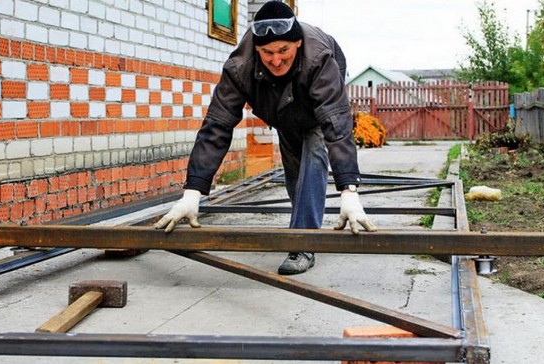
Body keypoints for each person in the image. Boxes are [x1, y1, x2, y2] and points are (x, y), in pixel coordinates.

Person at [155, 0, 377, 275]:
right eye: (267, 52)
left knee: (315, 146)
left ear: (296, 44)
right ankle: (304, 228)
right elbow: (217, 125)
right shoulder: (240, 67)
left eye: (283, 50)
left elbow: (337, 124)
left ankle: (303, 242)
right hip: (281, 111)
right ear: (257, 49)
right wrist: (193, 192)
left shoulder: (319, 58)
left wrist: (349, 190)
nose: (275, 59)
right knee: (294, 169)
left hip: (315, 103)